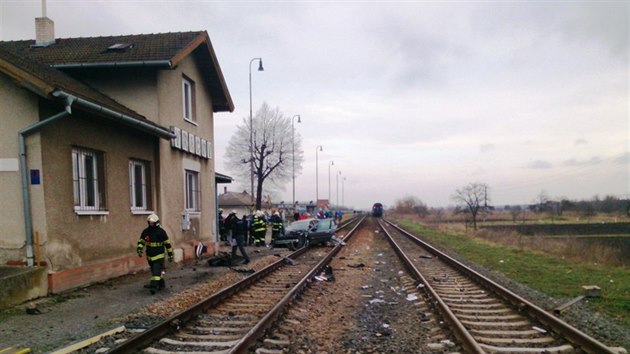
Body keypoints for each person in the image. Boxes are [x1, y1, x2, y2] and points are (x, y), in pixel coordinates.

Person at [137, 213, 174, 294]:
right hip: (150, 256)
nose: (151, 224)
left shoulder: (161, 232)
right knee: (155, 272)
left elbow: (167, 244)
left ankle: (153, 286)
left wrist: (170, 255)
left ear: (156, 222)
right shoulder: (146, 231)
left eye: (152, 222)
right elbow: (141, 241)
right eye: (150, 222)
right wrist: (139, 249)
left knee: (156, 272)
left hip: (159, 256)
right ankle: (161, 284)